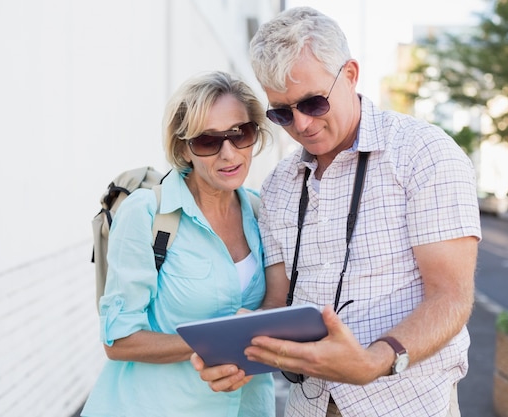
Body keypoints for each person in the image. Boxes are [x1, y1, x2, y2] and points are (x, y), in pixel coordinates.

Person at [192, 7, 482, 417]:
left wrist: (376, 360)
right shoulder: (278, 185)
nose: (301, 125)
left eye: (313, 102)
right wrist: (237, 351)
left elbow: (450, 296)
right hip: (306, 406)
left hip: (405, 405)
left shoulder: (424, 154)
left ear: (349, 74)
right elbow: (279, 302)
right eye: (281, 113)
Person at [81, 71, 275, 417]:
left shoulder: (264, 213)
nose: (228, 153)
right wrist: (222, 340)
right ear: (185, 150)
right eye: (207, 141)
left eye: (239, 134)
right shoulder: (147, 213)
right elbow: (119, 340)